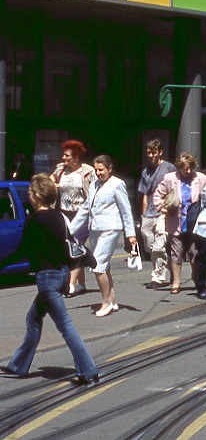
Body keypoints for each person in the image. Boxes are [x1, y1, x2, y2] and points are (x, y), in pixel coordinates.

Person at [4, 175, 99, 385]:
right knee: (33, 318)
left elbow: (22, 251)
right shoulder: (59, 217)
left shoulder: (34, 221)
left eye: (30, 192)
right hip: (61, 275)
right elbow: (68, 245)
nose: (28, 195)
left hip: (47, 280)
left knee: (65, 326)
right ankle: (18, 365)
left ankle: (88, 369)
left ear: (38, 196)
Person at [70, 155, 138, 318]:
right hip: (95, 229)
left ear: (109, 169)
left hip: (110, 228)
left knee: (98, 265)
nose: (99, 173)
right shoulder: (93, 185)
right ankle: (112, 299)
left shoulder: (117, 184)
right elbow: (85, 209)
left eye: (101, 170)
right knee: (104, 266)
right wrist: (69, 230)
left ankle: (105, 302)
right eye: (96, 170)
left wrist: (131, 234)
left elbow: (126, 210)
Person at [153, 153, 206, 295]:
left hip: (194, 222)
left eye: (190, 167)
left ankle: (197, 279)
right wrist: (162, 207)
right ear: (179, 167)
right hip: (175, 221)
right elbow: (157, 195)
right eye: (185, 168)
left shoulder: (201, 178)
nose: (188, 171)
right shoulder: (169, 178)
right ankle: (176, 283)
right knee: (176, 253)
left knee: (194, 253)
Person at [52, 140, 96, 296]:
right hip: (64, 213)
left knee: (75, 246)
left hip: (81, 213)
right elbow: (50, 180)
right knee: (71, 247)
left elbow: (95, 191)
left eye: (67, 155)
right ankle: (82, 284)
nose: (63, 157)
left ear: (76, 157)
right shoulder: (61, 170)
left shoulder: (87, 171)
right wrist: (54, 186)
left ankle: (71, 284)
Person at [137, 140, 176, 288]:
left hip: (163, 212)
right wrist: (143, 214)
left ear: (160, 152)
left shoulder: (169, 168)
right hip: (149, 213)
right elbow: (145, 195)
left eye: (154, 152)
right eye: (148, 153)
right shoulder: (146, 172)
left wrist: (169, 209)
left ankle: (157, 277)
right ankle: (171, 265)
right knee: (149, 245)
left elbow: (174, 190)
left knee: (159, 245)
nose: (151, 155)